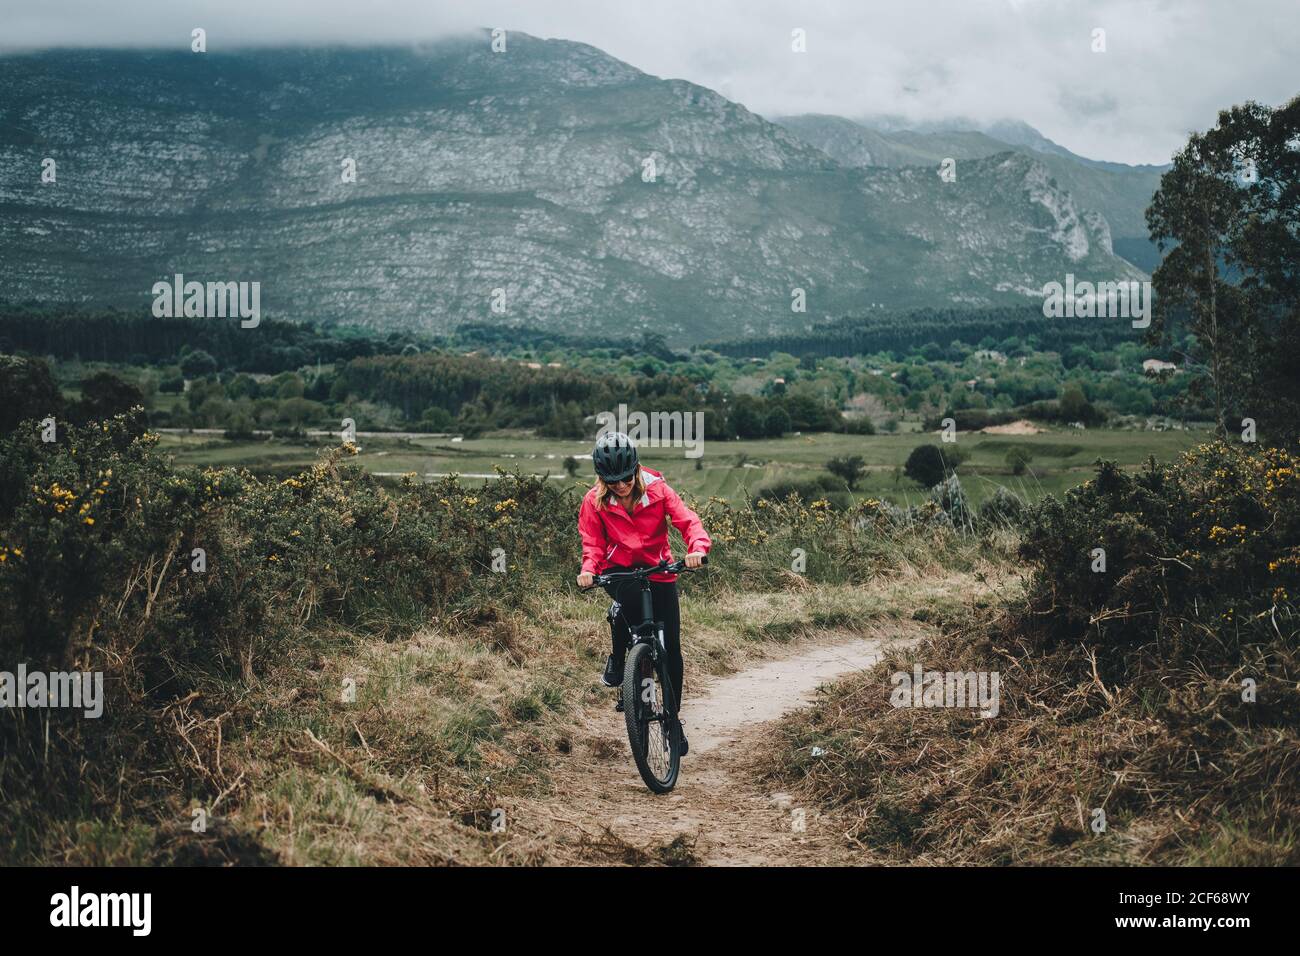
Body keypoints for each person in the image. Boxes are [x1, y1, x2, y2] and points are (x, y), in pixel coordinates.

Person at [576, 432, 710, 755]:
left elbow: (688, 521)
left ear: (635, 469)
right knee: (630, 608)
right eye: (612, 480)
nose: (620, 486)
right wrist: (587, 570)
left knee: (672, 648)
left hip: (658, 569)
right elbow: (592, 543)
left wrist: (697, 548)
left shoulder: (658, 490)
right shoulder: (594, 502)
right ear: (602, 478)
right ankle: (620, 657)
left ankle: (672, 719)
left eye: (625, 477)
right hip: (619, 572)